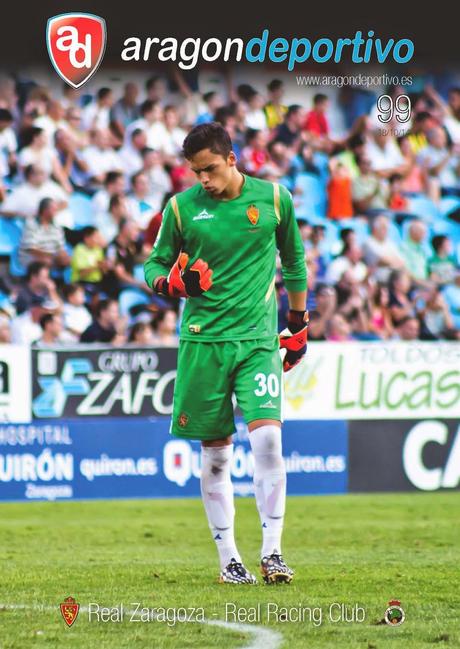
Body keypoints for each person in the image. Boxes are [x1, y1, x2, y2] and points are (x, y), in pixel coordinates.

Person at [144, 122, 307, 585]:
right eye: (196, 172)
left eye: (210, 169)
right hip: (203, 342)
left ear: (232, 159)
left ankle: (273, 553)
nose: (204, 180)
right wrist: (170, 283)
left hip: (257, 341)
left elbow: (294, 261)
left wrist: (298, 324)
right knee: (216, 456)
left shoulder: (274, 200)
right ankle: (229, 560)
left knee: (269, 442)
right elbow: (154, 264)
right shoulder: (180, 208)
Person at [18, 198, 70, 270]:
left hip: (51, 257)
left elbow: (61, 248)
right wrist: (53, 256)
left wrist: (63, 256)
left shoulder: (57, 226)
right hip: (31, 256)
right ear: (45, 210)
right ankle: (41, 279)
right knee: (47, 261)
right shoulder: (31, 223)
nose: (56, 211)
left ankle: (60, 280)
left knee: (68, 260)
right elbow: (32, 249)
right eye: (53, 209)